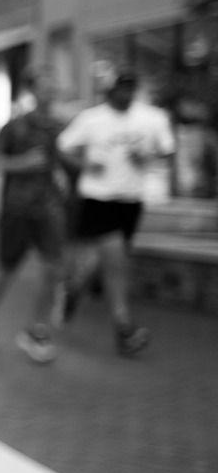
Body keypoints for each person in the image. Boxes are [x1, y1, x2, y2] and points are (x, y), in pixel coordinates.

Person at [55, 71, 175, 355]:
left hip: (131, 201)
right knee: (116, 263)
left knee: (101, 261)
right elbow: (62, 148)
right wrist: (85, 165)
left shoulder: (152, 118)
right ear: (109, 91)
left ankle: (72, 290)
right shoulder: (91, 118)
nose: (126, 94)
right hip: (98, 199)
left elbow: (168, 152)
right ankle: (125, 329)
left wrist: (148, 158)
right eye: (121, 88)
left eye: (131, 88)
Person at [0, 64, 70, 363]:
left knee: (53, 267)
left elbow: (68, 160)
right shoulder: (15, 127)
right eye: (44, 85)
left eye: (53, 85)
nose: (50, 90)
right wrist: (22, 162)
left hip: (49, 208)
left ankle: (35, 330)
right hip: (17, 208)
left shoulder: (60, 127)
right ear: (32, 90)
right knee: (6, 267)